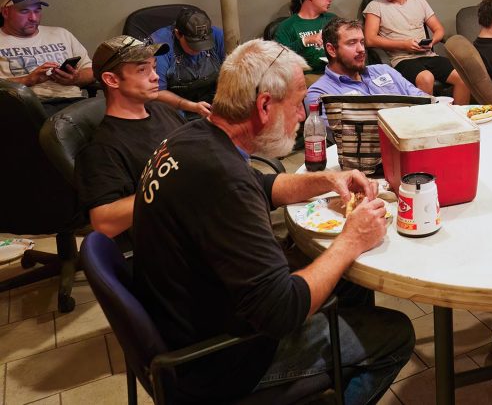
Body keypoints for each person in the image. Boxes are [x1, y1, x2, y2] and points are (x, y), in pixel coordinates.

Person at [132, 40, 414, 403]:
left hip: (183, 319)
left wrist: (328, 179)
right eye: (298, 104)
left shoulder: (194, 138)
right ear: (264, 105)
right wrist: (351, 239)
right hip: (218, 362)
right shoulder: (221, 179)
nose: (302, 116)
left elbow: (262, 185)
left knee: (349, 284)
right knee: (395, 333)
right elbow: (281, 310)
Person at [76, 35, 182, 243]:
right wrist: (173, 187)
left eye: (153, 67)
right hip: (169, 241)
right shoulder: (102, 148)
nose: (155, 77)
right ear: (112, 80)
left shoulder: (163, 111)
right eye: (142, 70)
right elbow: (104, 223)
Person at [362, 0, 469, 104]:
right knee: (426, 78)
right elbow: (370, 40)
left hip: (427, 55)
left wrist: (432, 42)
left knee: (464, 76)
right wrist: (404, 44)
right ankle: (426, 123)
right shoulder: (375, 5)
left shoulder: (419, 1)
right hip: (402, 59)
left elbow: (439, 30)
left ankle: (459, 120)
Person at [0, 0, 94, 114]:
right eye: (24, 11)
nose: (33, 18)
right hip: (29, 108)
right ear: (5, 12)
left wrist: (75, 78)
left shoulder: (61, 34)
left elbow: (91, 71)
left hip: (75, 103)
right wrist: (29, 80)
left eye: (37, 10)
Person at [305, 17, 427, 111]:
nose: (361, 49)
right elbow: (339, 136)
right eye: (352, 43)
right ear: (331, 50)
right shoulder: (320, 93)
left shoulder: (384, 70)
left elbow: (423, 101)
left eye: (362, 42)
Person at [149, 6, 225, 119]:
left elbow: (230, 74)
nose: (199, 49)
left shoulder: (218, 36)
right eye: (193, 45)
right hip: (174, 106)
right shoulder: (160, 44)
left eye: (204, 44)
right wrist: (192, 106)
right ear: (178, 34)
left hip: (212, 100)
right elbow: (157, 92)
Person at [275, 0, 341, 78]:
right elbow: (278, 58)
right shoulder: (287, 26)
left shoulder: (332, 20)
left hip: (336, 72)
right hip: (306, 77)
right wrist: (304, 41)